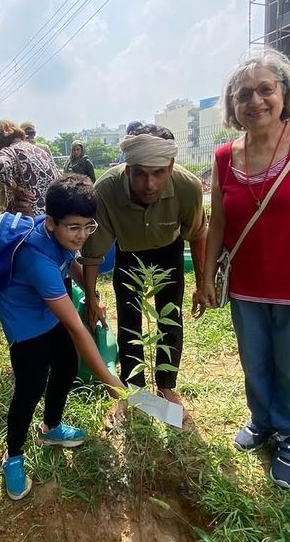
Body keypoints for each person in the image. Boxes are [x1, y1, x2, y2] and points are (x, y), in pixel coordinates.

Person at [202, 49, 290, 489]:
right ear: (233, 106)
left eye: (265, 89)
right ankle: (262, 421)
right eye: (244, 95)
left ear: (284, 93)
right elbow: (217, 221)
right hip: (246, 286)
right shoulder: (224, 157)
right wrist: (204, 277)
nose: (255, 101)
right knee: (254, 361)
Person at [0, 174, 124, 500]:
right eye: (74, 228)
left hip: (47, 310)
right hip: (24, 322)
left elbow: (70, 266)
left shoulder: (60, 235)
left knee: (66, 365)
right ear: (51, 223)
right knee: (30, 387)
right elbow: (76, 328)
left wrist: (92, 297)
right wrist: (109, 379)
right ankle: (12, 456)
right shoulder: (37, 257)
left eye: (88, 226)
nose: (82, 236)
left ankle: (51, 428)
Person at [81, 131, 207, 405]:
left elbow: (197, 234)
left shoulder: (188, 187)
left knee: (169, 316)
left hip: (169, 250)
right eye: (139, 174)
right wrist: (92, 298)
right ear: (127, 169)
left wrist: (201, 283)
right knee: (129, 320)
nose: (149, 184)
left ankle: (166, 387)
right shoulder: (105, 191)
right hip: (128, 253)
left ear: (171, 168)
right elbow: (92, 254)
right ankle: (134, 390)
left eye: (159, 173)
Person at [0, 119, 59, 216]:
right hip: (51, 215)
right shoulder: (41, 152)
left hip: (29, 219)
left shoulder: (9, 151)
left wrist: (15, 188)